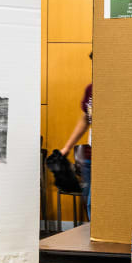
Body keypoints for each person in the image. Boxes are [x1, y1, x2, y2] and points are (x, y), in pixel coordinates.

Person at [58, 53, 94, 215]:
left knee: (94, 203)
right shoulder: (91, 89)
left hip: (110, 159)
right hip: (89, 156)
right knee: (88, 202)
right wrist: (66, 148)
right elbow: (85, 119)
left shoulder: (118, 88)